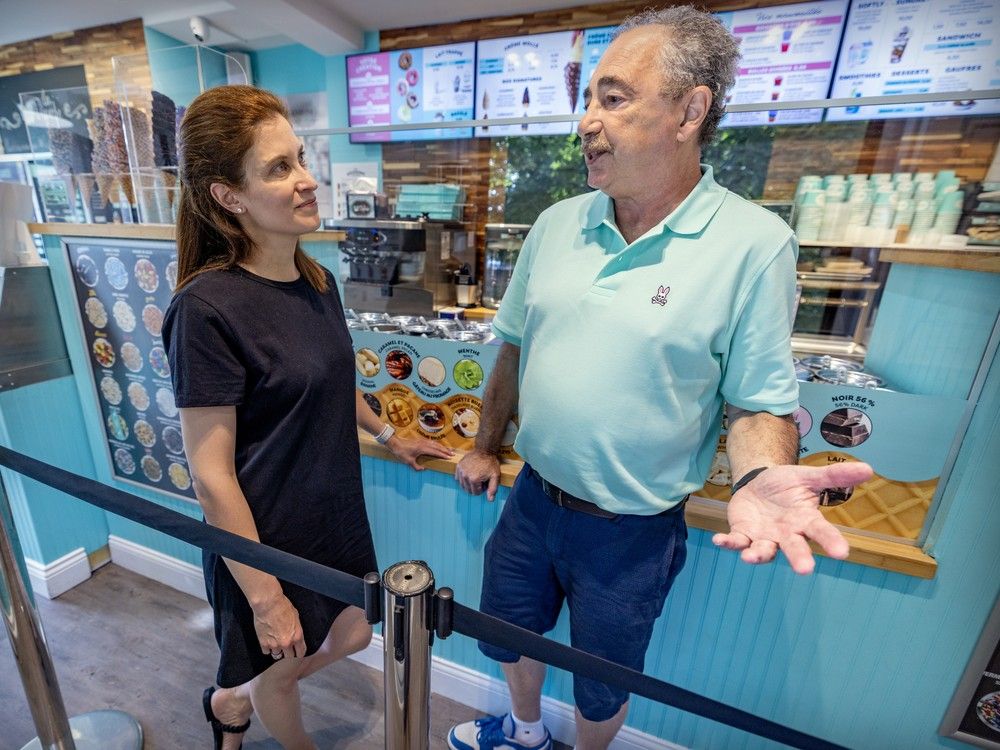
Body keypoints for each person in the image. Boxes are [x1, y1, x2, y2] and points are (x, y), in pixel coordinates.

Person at [449, 9, 873, 750]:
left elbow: (756, 402)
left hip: (632, 531)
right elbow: (514, 348)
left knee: (602, 676)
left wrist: (759, 478)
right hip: (530, 499)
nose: (585, 121)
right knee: (507, 634)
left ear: (690, 110)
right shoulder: (555, 224)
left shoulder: (755, 245)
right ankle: (522, 733)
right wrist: (487, 446)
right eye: (587, 99)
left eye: (612, 99)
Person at [161, 85, 453, 750]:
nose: (305, 179)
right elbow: (210, 477)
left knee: (353, 629)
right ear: (228, 198)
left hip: (332, 514)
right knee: (282, 671)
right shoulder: (206, 310)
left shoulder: (313, 278)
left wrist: (388, 434)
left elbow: (329, 379)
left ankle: (231, 695)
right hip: (262, 536)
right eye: (278, 168)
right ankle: (250, 706)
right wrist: (265, 598)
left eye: (299, 158)